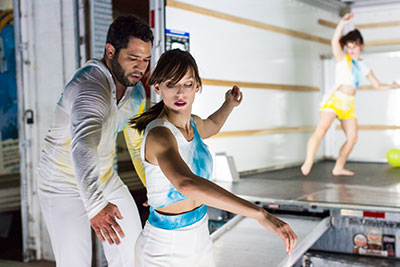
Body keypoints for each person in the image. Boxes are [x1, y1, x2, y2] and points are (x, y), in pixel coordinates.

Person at [131, 49, 297, 267]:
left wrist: (229, 103)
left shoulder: (194, 125)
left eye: (187, 84)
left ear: (197, 86)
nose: (180, 93)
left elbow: (213, 124)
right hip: (164, 247)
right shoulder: (160, 134)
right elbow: (186, 183)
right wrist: (260, 214)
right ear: (158, 87)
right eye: (171, 84)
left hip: (200, 237)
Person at [37, 15, 152, 267]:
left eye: (145, 60)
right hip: (61, 184)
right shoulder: (90, 87)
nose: (140, 68)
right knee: (74, 263)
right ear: (110, 51)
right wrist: (97, 205)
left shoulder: (136, 92)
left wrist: (153, 186)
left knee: (132, 253)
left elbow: (136, 144)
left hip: (103, 176)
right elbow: (83, 147)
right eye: (133, 58)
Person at [301, 13, 400, 177]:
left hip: (349, 104)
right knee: (322, 130)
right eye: (348, 46)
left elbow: (377, 85)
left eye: (354, 46)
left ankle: (338, 167)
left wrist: (392, 86)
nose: (351, 50)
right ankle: (309, 160)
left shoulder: (363, 66)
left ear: (361, 46)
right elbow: (334, 42)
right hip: (335, 100)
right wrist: (341, 23)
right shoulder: (342, 59)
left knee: (352, 138)